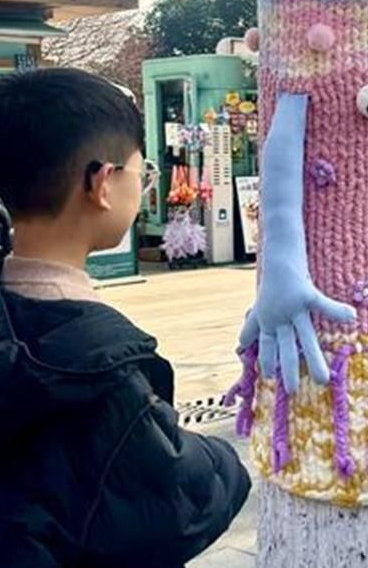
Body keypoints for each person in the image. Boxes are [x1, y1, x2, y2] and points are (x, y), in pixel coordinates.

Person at [0, 68, 251, 565]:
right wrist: (225, 455)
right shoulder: (99, 367)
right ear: (103, 183)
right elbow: (183, 502)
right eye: (143, 172)